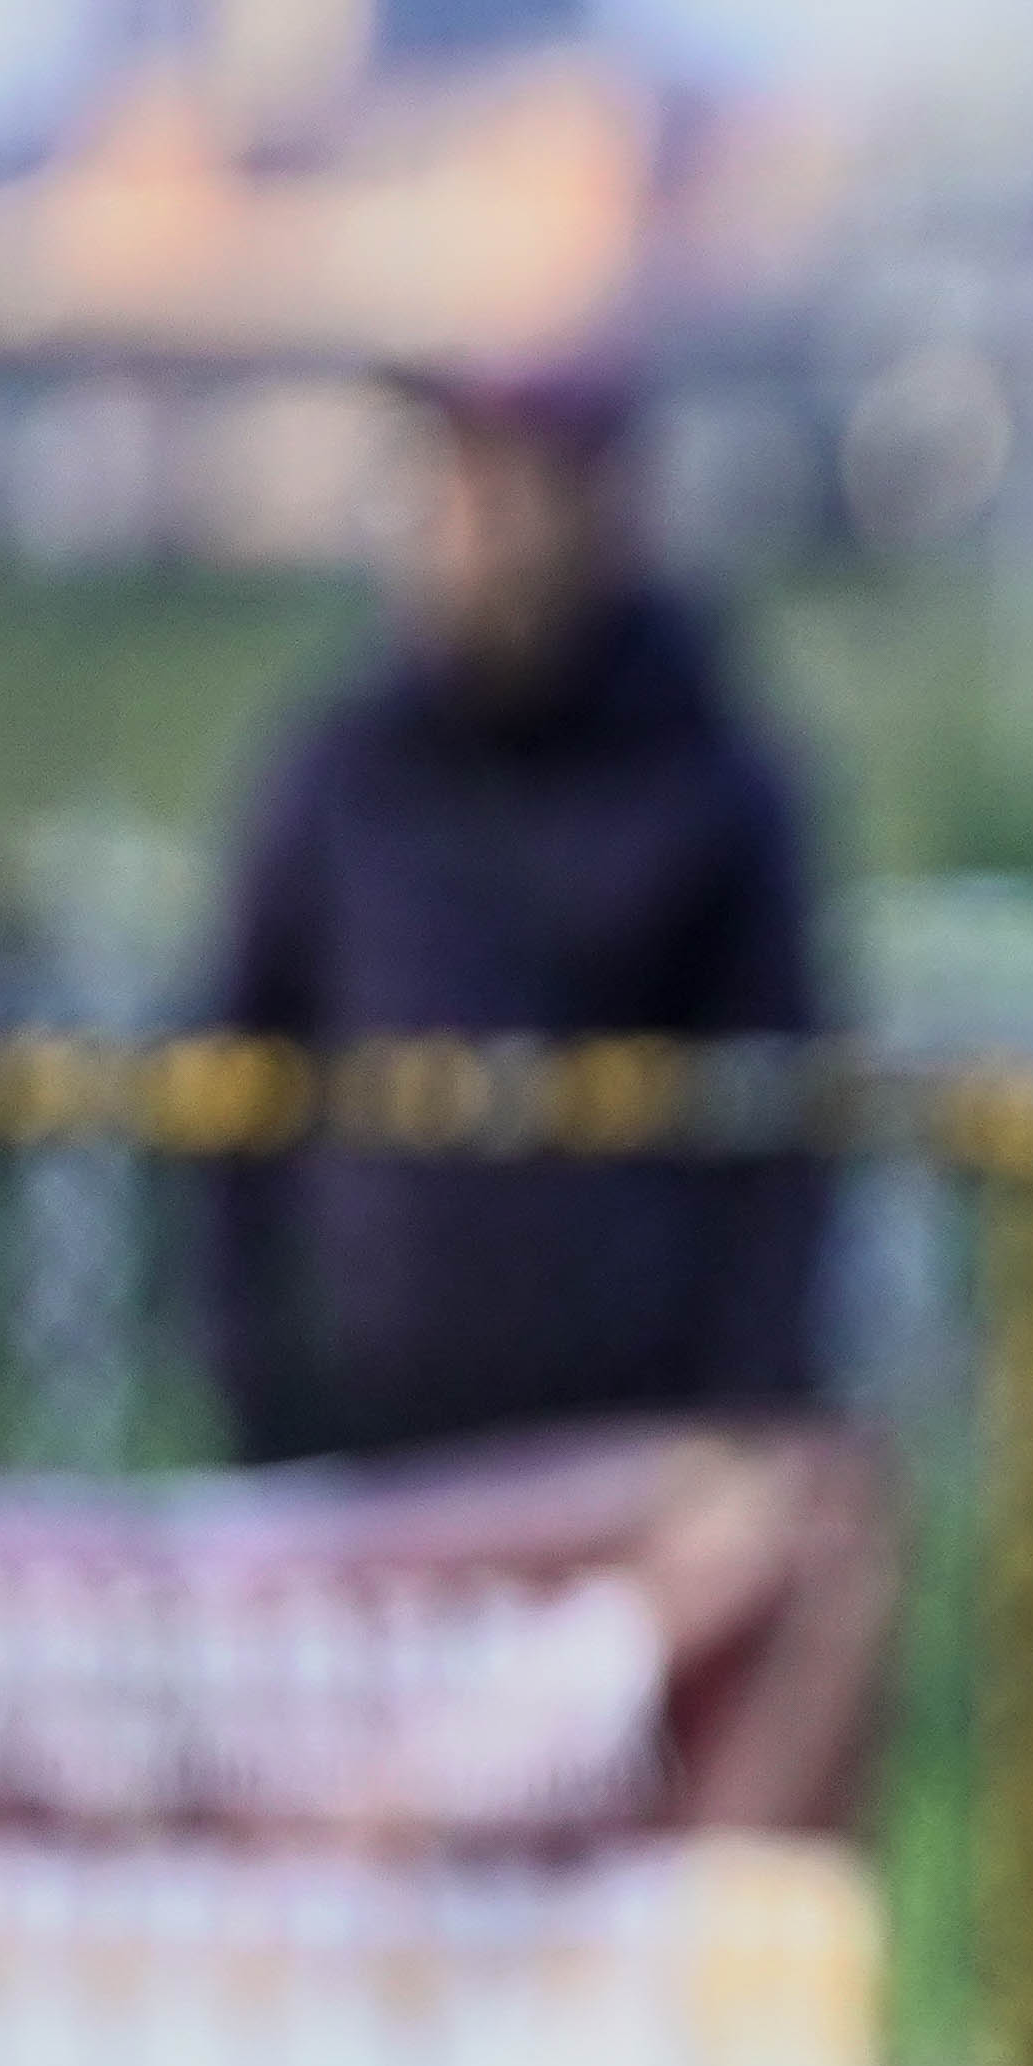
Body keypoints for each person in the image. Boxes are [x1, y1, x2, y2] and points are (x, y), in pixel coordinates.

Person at [202, 365, 830, 1464]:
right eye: (450, 490)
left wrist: (749, 1408)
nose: (476, 535)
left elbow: (782, 1124)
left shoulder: (707, 777)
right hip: (360, 1435)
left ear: (603, 510)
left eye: (510, 493)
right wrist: (257, 1375)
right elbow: (232, 1079)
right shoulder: (344, 770)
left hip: (632, 1450)